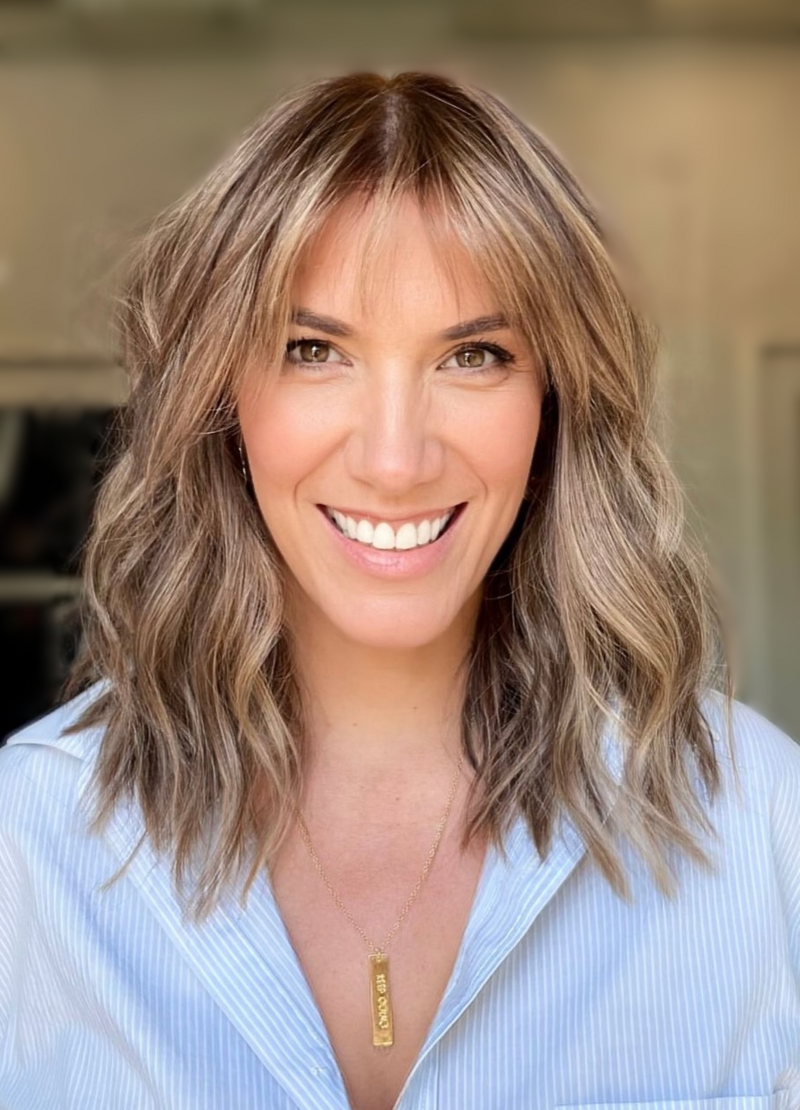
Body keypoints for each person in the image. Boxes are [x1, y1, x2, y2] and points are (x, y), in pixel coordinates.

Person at [0, 71, 798, 1110]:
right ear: (219, 396)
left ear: (552, 399)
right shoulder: (32, 838)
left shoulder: (753, 821)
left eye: (472, 355)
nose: (392, 458)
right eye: (313, 350)